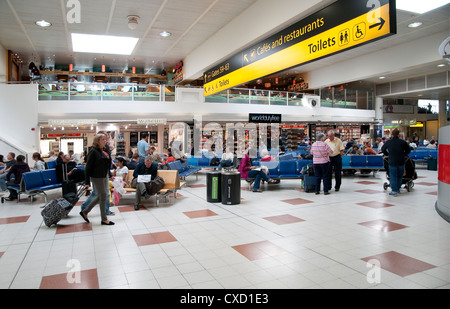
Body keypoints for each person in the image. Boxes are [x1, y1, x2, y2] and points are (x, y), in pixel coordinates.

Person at [80, 133, 114, 225]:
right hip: (96, 177)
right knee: (103, 195)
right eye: (102, 139)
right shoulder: (93, 151)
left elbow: (106, 164)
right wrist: (87, 182)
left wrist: (110, 174)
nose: (105, 141)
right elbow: (88, 167)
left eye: (105, 139)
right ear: (97, 141)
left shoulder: (103, 151)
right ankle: (104, 219)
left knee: (101, 196)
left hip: (104, 175)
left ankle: (85, 211)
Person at [381, 128, 411, 197]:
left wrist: (387, 154)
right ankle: (398, 188)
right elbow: (408, 150)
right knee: (400, 176)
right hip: (401, 161)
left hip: (392, 161)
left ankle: (394, 190)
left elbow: (383, 149)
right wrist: (404, 154)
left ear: (392, 134)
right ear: (398, 134)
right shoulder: (403, 142)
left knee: (393, 176)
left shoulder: (388, 142)